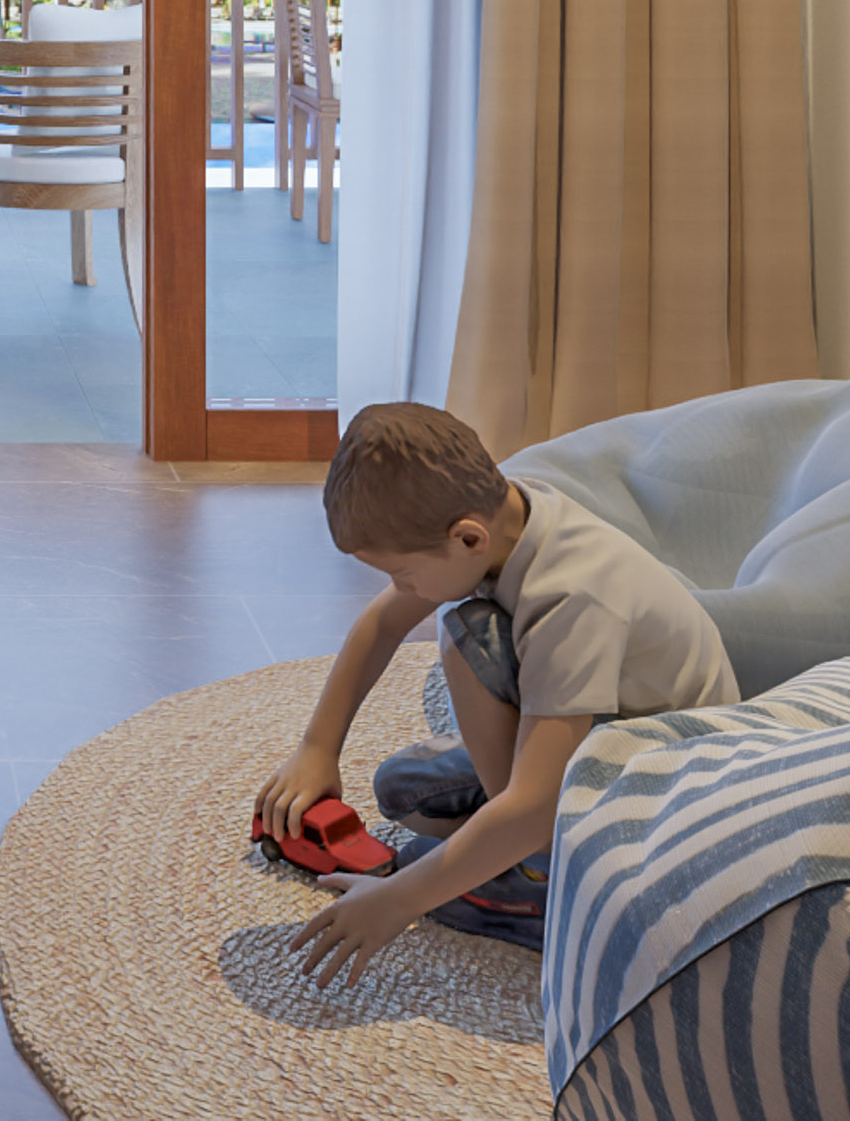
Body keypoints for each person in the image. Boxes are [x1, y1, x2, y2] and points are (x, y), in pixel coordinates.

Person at [258, 401, 739, 986]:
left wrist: (399, 901)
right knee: (402, 791)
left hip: (661, 785)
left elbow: (535, 806)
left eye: (404, 575)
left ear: (468, 538)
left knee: (469, 638)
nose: (402, 590)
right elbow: (382, 624)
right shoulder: (501, 513)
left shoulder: (572, 597)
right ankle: (508, 844)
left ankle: (546, 879)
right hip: (601, 730)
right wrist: (318, 748)